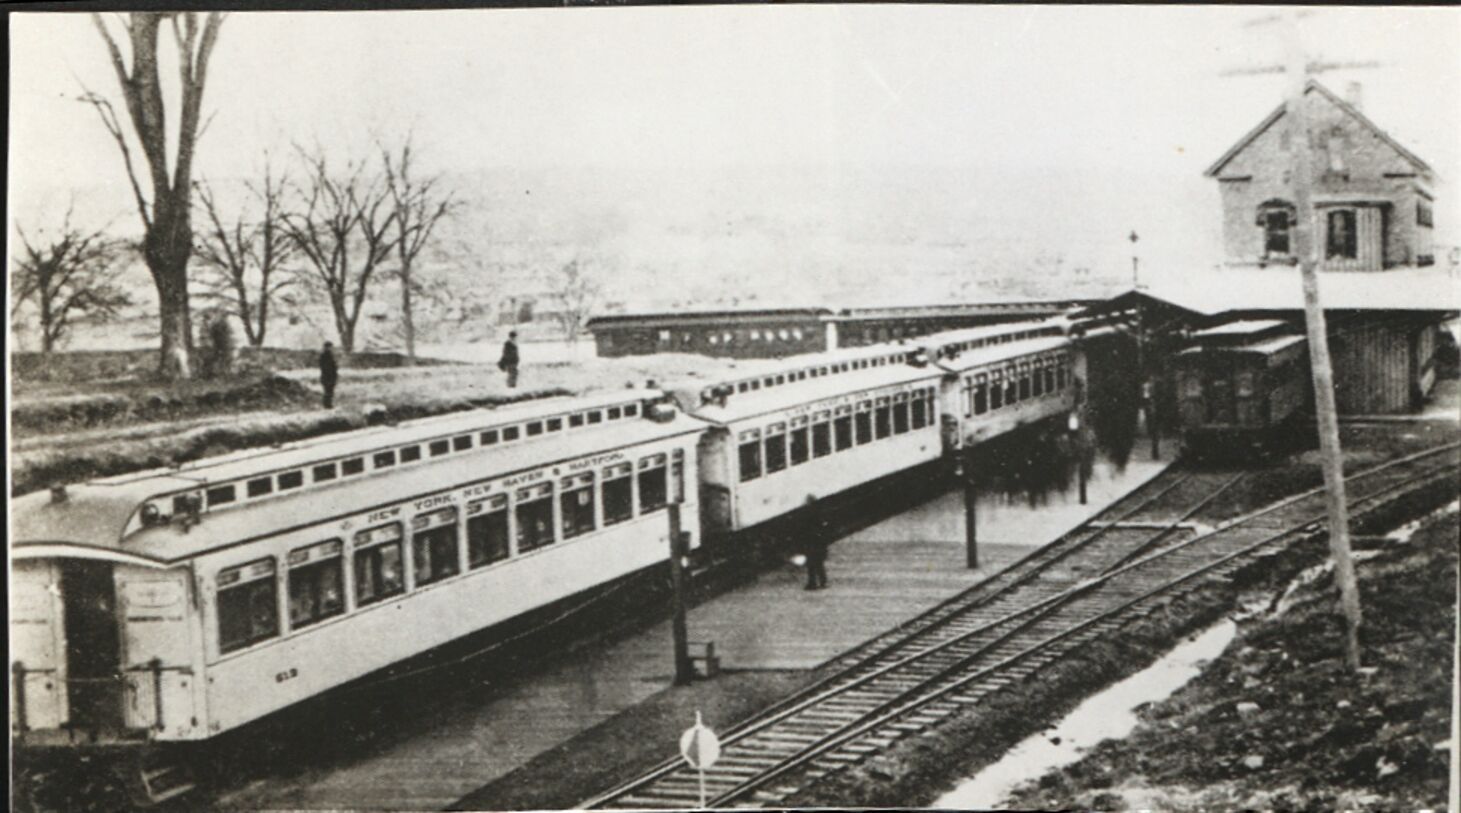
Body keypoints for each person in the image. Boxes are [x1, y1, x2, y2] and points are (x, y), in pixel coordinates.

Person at [802, 499, 830, 590]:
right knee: (819, 565)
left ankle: (812, 583)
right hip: (819, 546)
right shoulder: (820, 516)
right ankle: (823, 582)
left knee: (811, 566)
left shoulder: (808, 517)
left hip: (812, 545)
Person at [319, 341, 339, 408]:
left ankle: (328, 404)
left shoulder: (329, 355)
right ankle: (327, 405)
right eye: (330, 347)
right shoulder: (325, 356)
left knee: (329, 391)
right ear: (326, 347)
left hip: (329, 376)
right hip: (327, 376)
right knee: (328, 391)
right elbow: (326, 367)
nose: (331, 348)